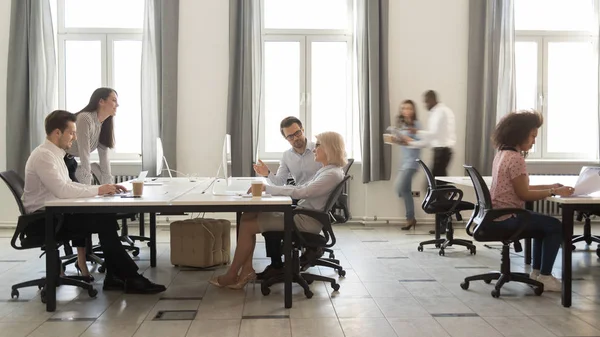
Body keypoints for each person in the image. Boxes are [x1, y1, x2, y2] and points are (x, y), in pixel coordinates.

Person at [23, 110, 166, 294]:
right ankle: (129, 277)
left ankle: (116, 276)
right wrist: (98, 190)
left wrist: (102, 189)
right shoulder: (44, 156)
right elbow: (63, 190)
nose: (74, 138)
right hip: (43, 221)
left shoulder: (55, 154)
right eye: (71, 132)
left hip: (55, 215)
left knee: (104, 216)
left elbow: (69, 186)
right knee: (104, 220)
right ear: (57, 132)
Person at [210, 131, 346, 289]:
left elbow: (302, 192)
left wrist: (268, 189)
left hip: (305, 221)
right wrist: (270, 188)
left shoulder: (331, 174)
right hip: (302, 214)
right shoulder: (327, 170)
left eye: (317, 146)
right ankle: (246, 270)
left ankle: (232, 275)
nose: (314, 149)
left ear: (329, 148)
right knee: (249, 215)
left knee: (247, 226)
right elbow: (302, 188)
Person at [490, 110, 573, 292]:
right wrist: (553, 191)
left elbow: (521, 187)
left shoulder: (502, 153)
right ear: (520, 134)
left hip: (498, 215)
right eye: (532, 136)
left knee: (542, 225)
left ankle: (538, 273)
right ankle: (544, 275)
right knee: (554, 226)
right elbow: (524, 195)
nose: (534, 141)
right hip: (509, 217)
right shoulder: (516, 158)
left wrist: (551, 186)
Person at [252, 117, 322, 280]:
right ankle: (276, 264)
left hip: (315, 198)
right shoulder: (286, 156)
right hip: (299, 196)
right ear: (286, 138)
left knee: (275, 217)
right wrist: (267, 174)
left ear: (302, 129)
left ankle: (310, 245)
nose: (295, 138)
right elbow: (280, 181)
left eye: (297, 133)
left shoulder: (317, 150)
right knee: (271, 213)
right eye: (290, 136)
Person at [399, 90, 456, 234]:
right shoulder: (438, 112)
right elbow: (428, 140)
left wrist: (416, 132)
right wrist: (410, 143)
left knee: (433, 188)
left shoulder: (441, 112)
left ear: (432, 99)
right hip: (439, 152)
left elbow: (434, 134)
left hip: (442, 152)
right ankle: (443, 222)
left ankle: (446, 215)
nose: (425, 104)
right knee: (435, 188)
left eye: (426, 101)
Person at [390, 100, 421, 230]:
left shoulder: (416, 125)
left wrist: (406, 139)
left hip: (412, 162)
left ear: (413, 110)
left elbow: (419, 143)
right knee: (405, 191)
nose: (406, 111)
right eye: (403, 108)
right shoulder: (402, 126)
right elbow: (405, 144)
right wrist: (397, 140)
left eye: (408, 108)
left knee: (400, 188)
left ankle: (411, 218)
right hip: (404, 162)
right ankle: (410, 219)